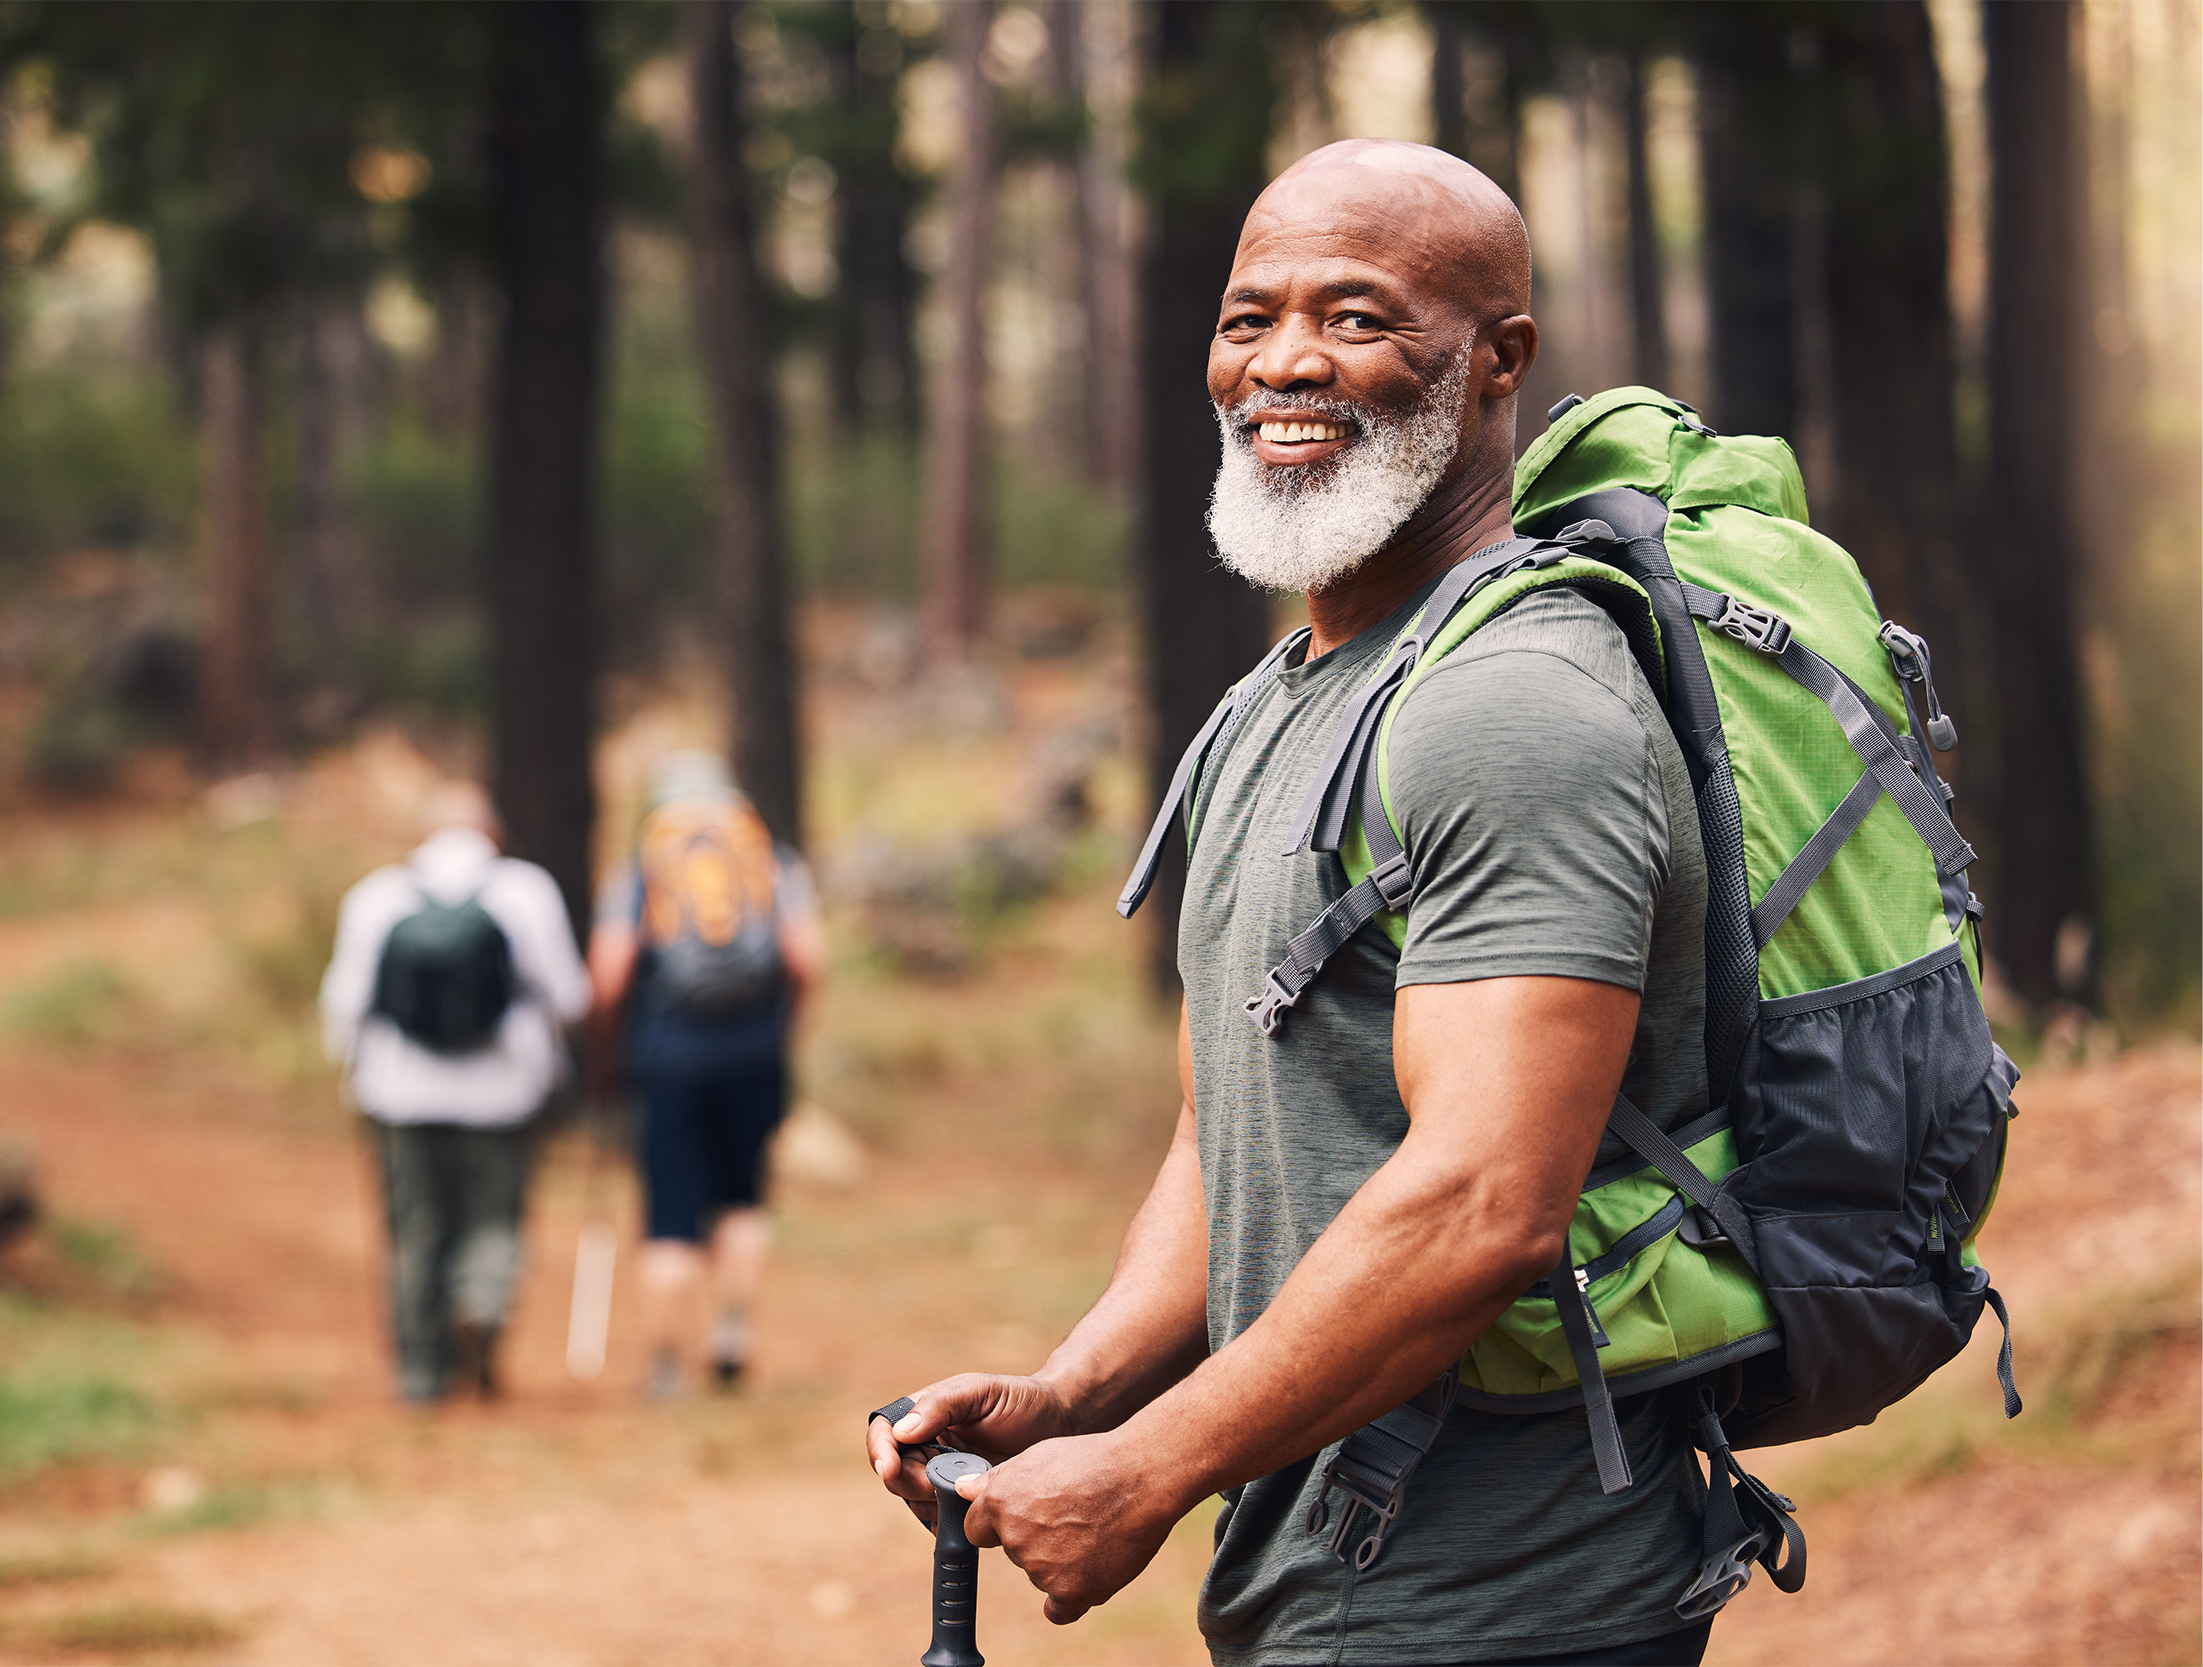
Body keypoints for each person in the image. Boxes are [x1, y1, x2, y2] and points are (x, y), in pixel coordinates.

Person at [868, 139, 1723, 1666]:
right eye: (1249, 316)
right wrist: (1075, 1393)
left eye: (1358, 317)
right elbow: (1240, 1132)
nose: (1285, 364)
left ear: (1495, 361)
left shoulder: (1518, 707)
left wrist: (1151, 1466)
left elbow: (1484, 1200)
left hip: (1502, 1602)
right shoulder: (1282, 700)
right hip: (1327, 1583)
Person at [320, 780, 590, 1404]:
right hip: (504, 1094)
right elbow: (570, 998)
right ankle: (481, 1306)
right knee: (495, 1216)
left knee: (414, 1229)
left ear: (422, 835)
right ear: (491, 835)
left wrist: (355, 1076)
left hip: (398, 1094)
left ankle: (419, 1374)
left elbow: (344, 1004)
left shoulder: (377, 897)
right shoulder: (526, 890)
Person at [589, 752, 824, 1400]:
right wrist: (783, 1032)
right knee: (743, 1198)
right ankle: (732, 1336)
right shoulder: (769, 858)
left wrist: (607, 1049)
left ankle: (667, 1365)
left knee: (671, 1215)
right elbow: (807, 959)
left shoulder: (644, 864)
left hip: (668, 1058)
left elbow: (609, 972)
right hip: (754, 1054)